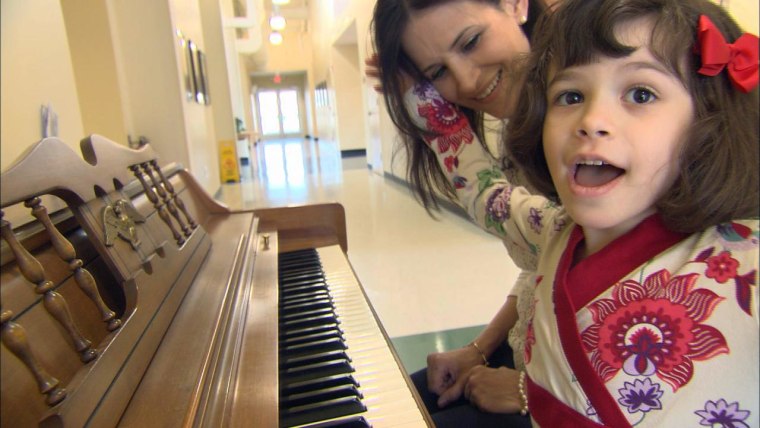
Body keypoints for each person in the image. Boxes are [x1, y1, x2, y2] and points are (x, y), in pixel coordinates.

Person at [404, 0, 759, 425]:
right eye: (570, 96)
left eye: (640, 94)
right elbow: (486, 195)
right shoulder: (553, 231)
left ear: (708, 119)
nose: (592, 120)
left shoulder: (743, 267)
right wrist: (413, 91)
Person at [369, 1, 552, 426]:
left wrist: (535, 391)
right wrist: (478, 349)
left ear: (516, 4)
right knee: (397, 400)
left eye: (471, 41)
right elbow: (544, 265)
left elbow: (547, 230)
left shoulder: (586, 113)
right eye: (437, 73)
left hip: (604, 382)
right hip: (541, 342)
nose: (467, 79)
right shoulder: (525, 121)